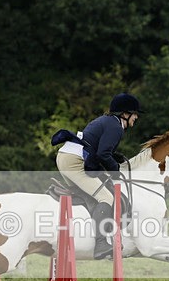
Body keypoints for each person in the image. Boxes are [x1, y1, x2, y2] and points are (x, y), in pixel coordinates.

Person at [55, 92, 142, 259]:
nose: (136, 117)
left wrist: (112, 156)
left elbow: (98, 148)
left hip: (67, 156)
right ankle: (101, 243)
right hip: (74, 161)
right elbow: (103, 154)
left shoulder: (106, 121)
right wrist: (116, 170)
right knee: (106, 198)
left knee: (94, 190)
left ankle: (83, 230)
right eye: (135, 113)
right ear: (125, 113)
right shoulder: (116, 127)